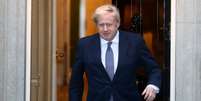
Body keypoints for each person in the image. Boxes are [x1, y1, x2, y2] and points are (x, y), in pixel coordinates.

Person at [69, 4, 161, 101]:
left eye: (109, 24)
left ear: (117, 23)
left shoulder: (135, 42)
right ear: (96, 24)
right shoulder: (84, 45)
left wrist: (153, 85)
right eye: (101, 25)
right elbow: (76, 83)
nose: (105, 29)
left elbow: (154, 68)